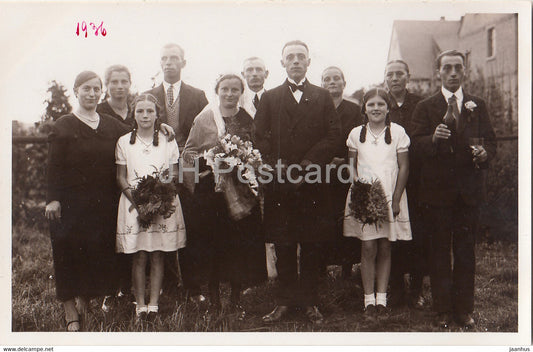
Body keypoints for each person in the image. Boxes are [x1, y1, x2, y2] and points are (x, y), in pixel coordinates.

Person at [255, 40, 340, 324]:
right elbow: (259, 136)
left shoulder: (322, 96)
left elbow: (333, 136)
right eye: (289, 57)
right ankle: (285, 302)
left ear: (308, 62)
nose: (295, 61)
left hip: (314, 182)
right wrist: (276, 165)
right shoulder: (270, 97)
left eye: (300, 57)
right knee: (284, 243)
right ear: (282, 63)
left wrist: (307, 164)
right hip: (280, 182)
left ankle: (311, 302)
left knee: (313, 244)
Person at [411, 50, 496, 329]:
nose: (453, 73)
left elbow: (492, 144)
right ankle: (443, 310)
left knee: (465, 252)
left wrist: (485, 154)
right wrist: (432, 139)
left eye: (458, 68)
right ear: (438, 72)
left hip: (468, 193)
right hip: (437, 194)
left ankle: (464, 309)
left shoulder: (477, 104)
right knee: (438, 251)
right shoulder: (426, 106)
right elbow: (415, 144)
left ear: (465, 71)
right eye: (447, 68)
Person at [45, 71, 131, 331]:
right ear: (76, 91)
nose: (92, 93)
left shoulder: (110, 124)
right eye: (86, 89)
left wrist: (161, 125)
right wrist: (53, 199)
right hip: (70, 204)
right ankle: (70, 310)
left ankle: (85, 303)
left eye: (96, 89)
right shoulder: (64, 124)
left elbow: (137, 131)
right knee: (67, 253)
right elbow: (53, 166)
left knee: (93, 254)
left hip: (102, 203)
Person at [182, 74, 266, 319]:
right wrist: (210, 158)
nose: (230, 94)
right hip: (212, 192)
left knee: (238, 246)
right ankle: (215, 301)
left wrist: (244, 160)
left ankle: (236, 299)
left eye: (235, 90)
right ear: (217, 90)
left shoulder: (247, 118)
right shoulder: (204, 117)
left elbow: (256, 149)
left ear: (241, 92)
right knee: (214, 246)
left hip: (240, 189)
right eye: (225, 89)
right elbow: (188, 152)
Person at [144, 43, 208, 301]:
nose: (169, 63)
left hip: (190, 169)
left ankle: (193, 286)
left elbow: (206, 133)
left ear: (183, 62)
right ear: (160, 63)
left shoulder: (198, 95)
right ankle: (168, 283)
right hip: (159, 169)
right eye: (164, 59)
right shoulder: (148, 96)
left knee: (192, 226)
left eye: (174, 58)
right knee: (162, 222)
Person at [115, 93, 186, 321]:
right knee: (139, 255)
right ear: (133, 114)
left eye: (150, 111)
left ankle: (153, 305)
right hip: (133, 205)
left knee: (157, 254)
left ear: (157, 114)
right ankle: (140, 305)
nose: (145, 115)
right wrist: (138, 202)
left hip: (163, 202)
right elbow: (121, 177)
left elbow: (174, 173)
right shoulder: (124, 142)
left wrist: (160, 200)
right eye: (140, 111)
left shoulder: (168, 140)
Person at [343, 88, 411, 320]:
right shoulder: (355, 134)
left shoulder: (398, 133)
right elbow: (351, 165)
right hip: (365, 195)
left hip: (390, 193)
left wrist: (396, 197)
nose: (376, 108)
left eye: (381, 104)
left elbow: (404, 167)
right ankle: (368, 299)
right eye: (371, 104)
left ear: (388, 108)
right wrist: (360, 190)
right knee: (368, 246)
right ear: (364, 108)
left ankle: (382, 298)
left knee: (385, 246)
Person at [383, 60, 424, 308]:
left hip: (418, 178)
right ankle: (396, 287)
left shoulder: (421, 103)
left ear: (408, 76)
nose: (395, 78)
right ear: (385, 78)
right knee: (392, 233)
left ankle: (417, 288)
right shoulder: (379, 102)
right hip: (389, 177)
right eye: (391, 74)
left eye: (400, 73)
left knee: (418, 234)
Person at [320, 66, 363, 279]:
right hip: (321, 172)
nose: (332, 82)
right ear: (321, 85)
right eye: (327, 79)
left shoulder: (354, 110)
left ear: (344, 83)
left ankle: (347, 269)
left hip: (347, 170)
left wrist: (345, 160)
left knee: (346, 216)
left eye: (336, 78)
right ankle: (322, 268)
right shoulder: (316, 109)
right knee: (324, 219)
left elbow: (359, 140)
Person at [239, 56, 278, 282]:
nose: (254, 74)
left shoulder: (274, 99)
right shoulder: (236, 100)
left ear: (266, 73)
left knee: (271, 215)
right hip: (243, 169)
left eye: (258, 70)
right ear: (243, 74)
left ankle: (273, 270)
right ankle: (252, 274)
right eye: (249, 70)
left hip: (272, 167)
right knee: (249, 219)